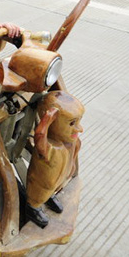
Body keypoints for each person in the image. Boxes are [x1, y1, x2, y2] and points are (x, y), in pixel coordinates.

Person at [25, 91, 84, 228]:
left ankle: (51, 196)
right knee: (38, 196)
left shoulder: (71, 143)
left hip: (58, 180)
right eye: (72, 123)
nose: (79, 128)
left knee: (53, 189)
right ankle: (33, 208)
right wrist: (46, 120)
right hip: (43, 184)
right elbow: (39, 136)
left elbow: (73, 157)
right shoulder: (50, 147)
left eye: (78, 121)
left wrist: (72, 169)